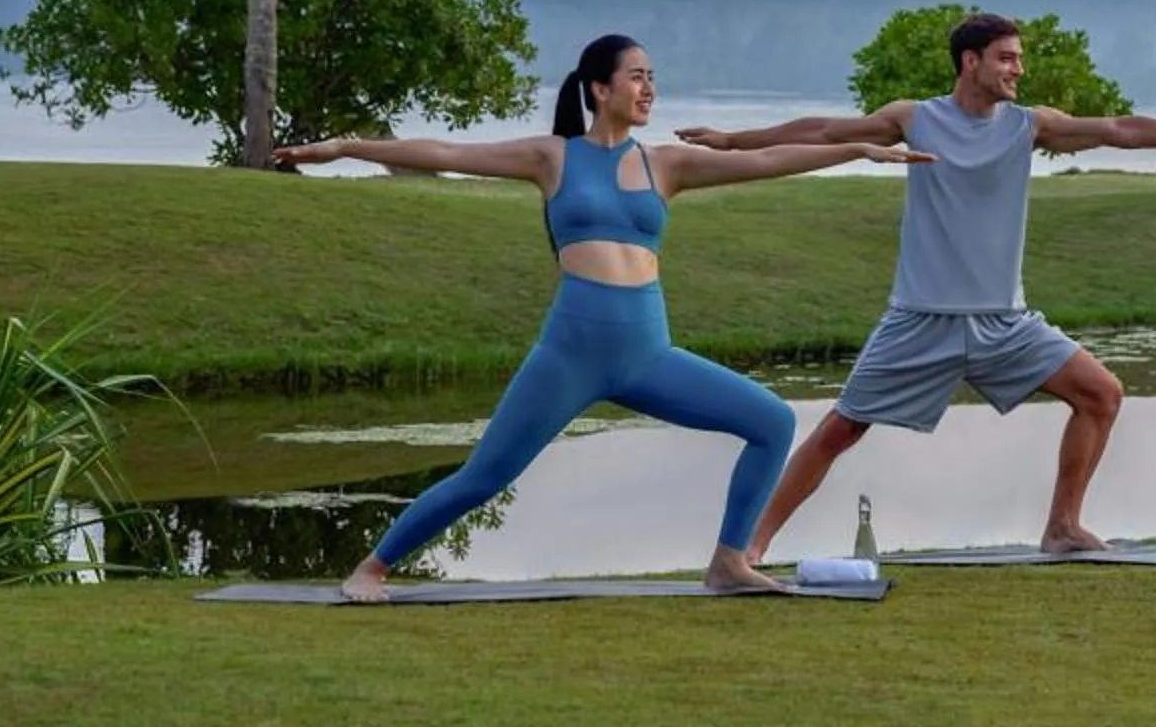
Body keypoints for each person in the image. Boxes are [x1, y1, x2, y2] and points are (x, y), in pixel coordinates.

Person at [274, 33, 931, 601]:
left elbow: (760, 161)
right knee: (486, 475)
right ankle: (373, 566)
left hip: (648, 354)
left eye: (653, 78)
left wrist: (858, 151)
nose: (649, 88)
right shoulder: (552, 157)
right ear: (599, 87)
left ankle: (730, 562)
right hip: (571, 354)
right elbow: (444, 153)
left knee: (771, 420)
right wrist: (343, 148)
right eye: (637, 76)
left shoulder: (665, 164)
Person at [676, 10, 1156, 560]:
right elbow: (825, 130)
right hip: (921, 318)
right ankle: (747, 552)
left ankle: (1063, 527)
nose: (1018, 69)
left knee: (1101, 394)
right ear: (971, 62)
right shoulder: (916, 118)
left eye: (1019, 58)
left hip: (1004, 322)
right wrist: (734, 141)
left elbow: (1119, 129)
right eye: (1007, 58)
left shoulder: (1028, 126)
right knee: (841, 429)